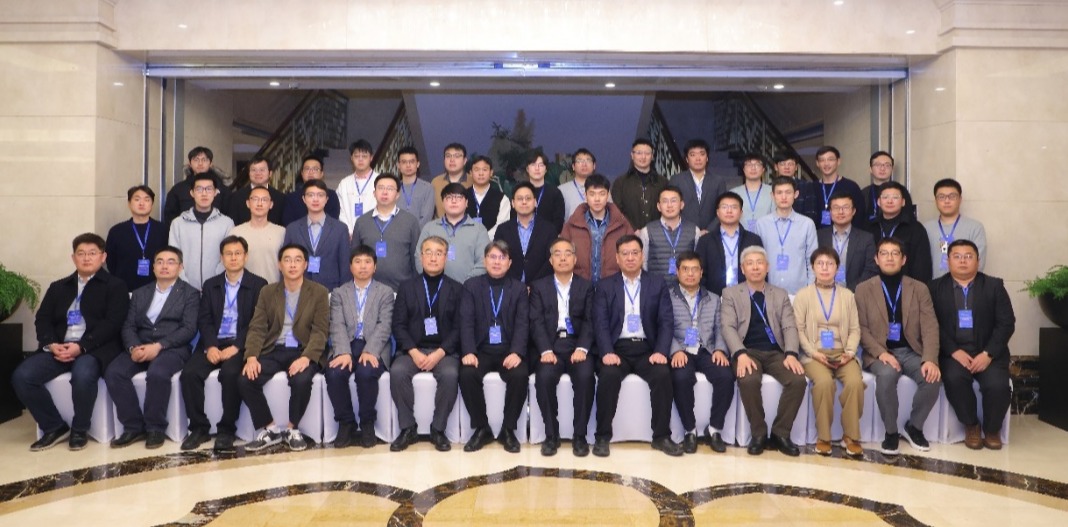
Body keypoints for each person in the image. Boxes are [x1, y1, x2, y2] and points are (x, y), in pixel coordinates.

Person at [13, 233, 129, 451]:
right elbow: (43, 319)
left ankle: (79, 429)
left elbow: (112, 324)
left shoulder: (115, 286)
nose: (86, 258)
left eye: (92, 253)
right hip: (59, 348)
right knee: (22, 376)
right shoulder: (59, 287)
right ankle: (54, 426)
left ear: (103, 257)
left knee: (83, 375)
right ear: (73, 258)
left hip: (94, 349)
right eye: (81, 253)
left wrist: (81, 346)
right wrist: (51, 344)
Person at [591, 235, 683, 457]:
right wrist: (607, 352)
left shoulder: (657, 283)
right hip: (617, 348)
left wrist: (661, 351)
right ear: (617, 258)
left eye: (635, 253)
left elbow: (666, 321)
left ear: (642, 256)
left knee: (662, 375)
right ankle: (602, 437)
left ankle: (661, 436)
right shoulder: (605, 286)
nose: (630, 258)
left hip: (647, 349)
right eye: (625, 254)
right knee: (608, 376)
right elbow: (600, 323)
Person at [178, 236, 267, 452]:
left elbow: (257, 322)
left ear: (245, 256)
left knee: (230, 373)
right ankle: (198, 428)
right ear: (221, 257)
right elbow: (204, 319)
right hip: (213, 342)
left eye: (238, 253)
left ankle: (226, 429)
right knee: (189, 374)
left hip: (240, 344)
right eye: (229, 254)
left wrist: (237, 347)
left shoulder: (259, 285)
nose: (233, 258)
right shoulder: (211, 285)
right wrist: (210, 346)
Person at [239, 244, 330, 452]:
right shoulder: (268, 292)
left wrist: (307, 357)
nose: (292, 265)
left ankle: (292, 429)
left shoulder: (319, 292)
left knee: (302, 379)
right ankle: (270, 428)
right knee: (245, 379)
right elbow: (257, 327)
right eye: (287, 260)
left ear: (305, 265)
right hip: (273, 349)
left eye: (298, 260)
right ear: (279, 265)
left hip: (302, 350)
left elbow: (320, 331)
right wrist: (251, 357)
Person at [106, 246, 199, 449]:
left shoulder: (190, 294)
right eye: (160, 262)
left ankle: (155, 428)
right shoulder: (140, 293)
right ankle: (133, 426)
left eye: (171, 262)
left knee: (157, 373)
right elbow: (128, 325)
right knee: (114, 372)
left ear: (180, 267)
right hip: (140, 345)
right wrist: (133, 347)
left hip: (173, 348)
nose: (165, 266)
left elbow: (189, 328)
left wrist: (159, 346)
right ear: (153, 267)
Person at [855, 237, 941, 455]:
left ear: (903, 259)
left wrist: (930, 359)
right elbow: (861, 328)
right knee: (886, 376)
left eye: (895, 253)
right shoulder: (863, 289)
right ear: (876, 259)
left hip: (912, 351)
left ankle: (914, 427)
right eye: (884, 253)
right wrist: (881, 353)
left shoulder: (919, 288)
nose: (890, 258)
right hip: (879, 352)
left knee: (932, 378)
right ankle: (891, 432)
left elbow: (930, 326)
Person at [720, 246, 805, 456]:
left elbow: (789, 326)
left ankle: (780, 433)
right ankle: (758, 433)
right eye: (750, 263)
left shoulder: (780, 294)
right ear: (742, 269)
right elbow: (728, 327)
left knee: (797, 380)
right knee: (748, 380)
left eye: (760, 263)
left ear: (767, 267)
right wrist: (740, 354)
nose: (755, 267)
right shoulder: (730, 294)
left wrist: (791, 354)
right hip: (747, 351)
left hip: (776, 352)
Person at [929, 240, 1014, 450]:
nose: (963, 261)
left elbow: (1006, 323)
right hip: (953, 353)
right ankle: (971, 425)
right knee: (954, 379)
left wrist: (988, 353)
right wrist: (953, 350)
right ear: (948, 261)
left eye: (968, 256)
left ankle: (992, 429)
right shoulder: (934, 288)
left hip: (988, 352)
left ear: (978, 260)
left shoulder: (994, 286)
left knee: (997, 385)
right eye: (957, 256)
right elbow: (931, 325)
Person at [389, 236, 464, 452]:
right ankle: (408, 428)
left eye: (439, 253)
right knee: (398, 372)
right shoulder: (406, 287)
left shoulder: (457, 289)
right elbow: (398, 325)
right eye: (428, 252)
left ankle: (438, 429)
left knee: (450, 375)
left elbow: (459, 327)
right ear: (421, 257)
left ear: (446, 258)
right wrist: (413, 352)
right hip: (413, 350)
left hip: (444, 352)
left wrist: (440, 353)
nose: (433, 258)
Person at [458, 240, 530, 453]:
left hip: (508, 350)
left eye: (502, 257)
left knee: (520, 374)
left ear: (509, 263)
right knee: (467, 373)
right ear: (484, 260)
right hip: (481, 350)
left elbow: (523, 323)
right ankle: (482, 428)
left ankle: (508, 429)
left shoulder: (518, 288)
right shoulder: (471, 286)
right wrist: (469, 351)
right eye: (492, 257)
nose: (497, 262)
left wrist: (517, 352)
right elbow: (466, 321)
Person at [794, 247, 865, 457]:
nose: (825, 268)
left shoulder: (847, 295)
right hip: (814, 354)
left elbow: (855, 329)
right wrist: (813, 353)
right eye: (820, 264)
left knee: (855, 382)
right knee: (824, 383)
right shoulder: (803, 295)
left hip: (843, 353)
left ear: (837, 268)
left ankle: (850, 436)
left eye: (830, 264)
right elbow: (798, 330)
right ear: (813, 267)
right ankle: (824, 437)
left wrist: (850, 352)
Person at [530, 238, 596, 457]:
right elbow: (536, 321)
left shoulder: (586, 286)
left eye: (568, 253)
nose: (563, 258)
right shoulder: (539, 287)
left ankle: (580, 435)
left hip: (577, 344)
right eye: (557, 254)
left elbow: (590, 321)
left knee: (586, 377)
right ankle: (551, 434)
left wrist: (583, 348)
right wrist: (546, 350)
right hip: (551, 345)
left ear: (575, 259)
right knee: (543, 378)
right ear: (551, 260)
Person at [325, 245, 395, 448]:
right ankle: (346, 422)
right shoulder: (339, 293)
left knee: (366, 372)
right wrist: (343, 352)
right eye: (358, 262)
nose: (363, 266)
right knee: (334, 373)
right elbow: (336, 324)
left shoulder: (385, 292)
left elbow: (384, 325)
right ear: (350, 266)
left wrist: (370, 350)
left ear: (375, 266)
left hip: (373, 344)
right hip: (346, 343)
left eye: (367, 262)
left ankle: (367, 422)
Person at [667, 251, 734, 454]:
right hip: (682, 349)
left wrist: (720, 349)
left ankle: (714, 429)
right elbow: (664, 328)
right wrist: (675, 351)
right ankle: (690, 430)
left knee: (725, 376)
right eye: (685, 269)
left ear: (701, 272)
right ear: (677, 272)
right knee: (681, 377)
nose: (690, 274)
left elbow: (720, 328)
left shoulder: (713, 298)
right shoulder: (667, 297)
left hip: (707, 349)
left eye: (694, 269)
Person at [349, 173, 421, 289]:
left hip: (402, 288)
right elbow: (354, 256)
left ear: (397, 195)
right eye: (381, 188)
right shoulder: (362, 221)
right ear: (374, 193)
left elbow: (416, 258)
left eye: (390, 189)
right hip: (368, 289)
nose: (385, 192)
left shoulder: (410, 221)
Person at [560, 174, 633, 284]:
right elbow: (562, 256)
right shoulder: (572, 224)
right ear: (585, 195)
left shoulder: (622, 224)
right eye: (592, 194)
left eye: (602, 194)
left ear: (608, 195)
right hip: (580, 286)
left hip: (613, 286)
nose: (597, 199)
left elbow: (632, 257)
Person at [168, 172, 235, 291]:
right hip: (184, 288)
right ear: (192, 193)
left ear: (215, 192)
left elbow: (228, 255)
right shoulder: (178, 223)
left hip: (217, 288)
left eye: (209, 189)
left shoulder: (227, 223)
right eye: (199, 189)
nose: (204, 193)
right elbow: (173, 256)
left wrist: (215, 281)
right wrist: (184, 282)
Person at [753, 176, 818, 295]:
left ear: (796, 194)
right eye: (779, 193)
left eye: (788, 192)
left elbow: (812, 260)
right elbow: (756, 258)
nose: (783, 197)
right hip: (768, 292)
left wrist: (810, 290)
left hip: (799, 292)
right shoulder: (761, 224)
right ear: (772, 196)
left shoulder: (807, 224)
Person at [283, 179, 352, 290]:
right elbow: (285, 262)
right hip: (299, 289)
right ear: (304, 199)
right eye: (310, 195)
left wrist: (343, 294)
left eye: (320, 195)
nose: (315, 199)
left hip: (331, 290)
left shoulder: (340, 229)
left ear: (326, 199)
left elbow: (345, 267)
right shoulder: (292, 229)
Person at [416, 183, 489, 283]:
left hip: (467, 288)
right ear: (442, 202)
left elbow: (483, 261)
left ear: (466, 202)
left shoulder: (479, 230)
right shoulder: (430, 227)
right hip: (434, 286)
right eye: (449, 197)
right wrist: (431, 280)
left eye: (459, 197)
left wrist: (468, 283)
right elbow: (419, 256)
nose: (454, 201)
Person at [695, 191, 763, 296]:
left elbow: (761, 271)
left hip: (747, 296)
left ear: (741, 213)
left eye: (734, 207)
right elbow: (699, 272)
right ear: (717, 212)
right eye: (724, 207)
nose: (729, 211)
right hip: (714, 297)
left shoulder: (753, 240)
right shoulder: (705, 241)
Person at [867, 181, 932, 283]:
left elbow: (922, 266)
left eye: (895, 197)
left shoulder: (915, 228)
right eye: (885, 197)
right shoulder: (869, 227)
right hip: (874, 286)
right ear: (878, 202)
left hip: (906, 287)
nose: (890, 201)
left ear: (903, 202)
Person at [106, 186, 168, 291]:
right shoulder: (117, 231)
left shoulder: (163, 230)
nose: (142, 203)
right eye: (137, 199)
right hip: (124, 289)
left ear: (152, 204)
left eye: (147, 200)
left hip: (157, 288)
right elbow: (111, 262)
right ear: (129, 204)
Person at [924, 178, 988, 279]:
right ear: (935, 201)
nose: (947, 201)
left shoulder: (975, 227)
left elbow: (978, 263)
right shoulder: (925, 228)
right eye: (941, 197)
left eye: (952, 196)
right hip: (932, 285)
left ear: (960, 199)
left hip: (965, 286)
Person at [494, 182, 555, 285]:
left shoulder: (549, 229)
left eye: (528, 198)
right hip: (509, 286)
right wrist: (516, 286)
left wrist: (535, 285)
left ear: (535, 202)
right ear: (513, 203)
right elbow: (499, 258)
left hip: (541, 287)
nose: (524, 202)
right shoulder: (502, 229)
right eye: (519, 199)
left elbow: (551, 260)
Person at [637, 185, 702, 282]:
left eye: (673, 201)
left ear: (682, 205)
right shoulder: (646, 231)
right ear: (659, 206)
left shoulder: (694, 230)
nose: (669, 205)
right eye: (665, 201)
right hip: (656, 287)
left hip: (686, 287)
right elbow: (643, 264)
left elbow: (698, 263)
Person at [816, 193, 878, 291]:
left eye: (845, 207)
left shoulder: (866, 238)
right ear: (830, 212)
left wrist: (849, 292)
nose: (841, 212)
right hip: (823, 292)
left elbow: (870, 270)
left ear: (853, 211)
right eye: (836, 208)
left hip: (855, 294)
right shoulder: (819, 236)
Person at [163, 146, 231, 231]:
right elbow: (170, 216)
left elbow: (229, 214)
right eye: (196, 160)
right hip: (186, 233)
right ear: (190, 163)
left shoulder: (222, 189)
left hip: (216, 233)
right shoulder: (178, 189)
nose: (200, 163)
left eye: (204, 160)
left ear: (211, 163)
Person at [230, 186, 285, 284]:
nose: (259, 204)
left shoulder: (281, 232)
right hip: (244, 289)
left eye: (264, 200)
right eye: (255, 199)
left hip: (273, 288)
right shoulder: (236, 232)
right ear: (248, 203)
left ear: (271, 204)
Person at [669, 139, 726, 230]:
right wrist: (688, 230)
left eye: (702, 154)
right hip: (683, 232)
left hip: (711, 233)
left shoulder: (718, 181)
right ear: (687, 159)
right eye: (693, 155)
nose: (698, 158)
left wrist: (709, 230)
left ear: (707, 158)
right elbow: (672, 207)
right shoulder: (676, 180)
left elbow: (723, 208)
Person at [612, 138, 667, 229]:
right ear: (632, 155)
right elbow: (616, 210)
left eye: (647, 153)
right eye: (639, 153)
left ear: (652, 156)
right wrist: (632, 229)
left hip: (658, 233)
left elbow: (667, 208)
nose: (643, 157)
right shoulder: (620, 182)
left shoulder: (663, 182)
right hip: (628, 233)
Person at [810, 146, 866, 229]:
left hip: (845, 235)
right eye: (822, 160)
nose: (826, 163)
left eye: (830, 159)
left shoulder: (851, 186)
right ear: (817, 163)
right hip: (816, 235)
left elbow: (860, 214)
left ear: (838, 161)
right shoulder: (811, 187)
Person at [226, 155, 286, 226]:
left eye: (262, 170)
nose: (258, 173)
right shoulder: (236, 197)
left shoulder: (280, 198)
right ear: (249, 173)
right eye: (254, 170)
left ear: (270, 173)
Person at [281, 154, 341, 225]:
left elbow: (333, 221)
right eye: (307, 169)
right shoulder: (291, 198)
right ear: (302, 173)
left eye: (315, 169)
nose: (311, 172)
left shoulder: (331, 195)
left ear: (322, 174)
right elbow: (289, 223)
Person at [337, 139, 378, 235]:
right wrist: (348, 231)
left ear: (371, 158)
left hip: (374, 232)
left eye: (364, 156)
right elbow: (341, 210)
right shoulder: (344, 183)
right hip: (349, 234)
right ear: (351, 158)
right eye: (356, 156)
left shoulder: (380, 181)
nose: (360, 160)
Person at [861, 151, 914, 222]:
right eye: (878, 165)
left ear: (892, 169)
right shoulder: (863, 193)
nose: (882, 168)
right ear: (870, 169)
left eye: (887, 165)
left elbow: (908, 217)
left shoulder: (901, 191)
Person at [465, 156, 511, 238]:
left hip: (492, 243)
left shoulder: (502, 199)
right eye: (477, 170)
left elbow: (502, 226)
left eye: (485, 170)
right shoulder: (462, 196)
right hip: (465, 242)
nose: (481, 173)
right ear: (470, 173)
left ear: (491, 172)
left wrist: (484, 239)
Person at [729, 152, 774, 231]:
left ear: (763, 169)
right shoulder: (733, 193)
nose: (753, 168)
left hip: (767, 234)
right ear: (743, 169)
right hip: (740, 235)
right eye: (749, 165)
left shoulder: (773, 191)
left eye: (757, 164)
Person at [524, 151, 565, 233]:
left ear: (546, 169)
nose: (537, 168)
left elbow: (558, 222)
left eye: (541, 165)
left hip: (548, 238)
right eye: (533, 164)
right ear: (527, 169)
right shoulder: (520, 191)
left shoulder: (555, 193)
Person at [773, 152, 818, 225]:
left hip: (800, 228)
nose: (787, 167)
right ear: (776, 167)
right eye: (783, 164)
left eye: (790, 164)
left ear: (796, 167)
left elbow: (811, 213)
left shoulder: (806, 186)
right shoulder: (769, 187)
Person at [395, 146, 436, 227]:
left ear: (418, 164)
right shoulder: (393, 188)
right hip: (396, 232)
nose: (408, 165)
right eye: (404, 162)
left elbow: (427, 217)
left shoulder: (427, 188)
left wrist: (414, 232)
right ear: (398, 165)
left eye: (412, 161)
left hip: (421, 233)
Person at [431, 143, 471, 218]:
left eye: (457, 156)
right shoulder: (435, 182)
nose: (452, 160)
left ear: (465, 161)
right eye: (448, 156)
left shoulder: (472, 182)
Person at [560, 148, 597, 221]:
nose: (584, 164)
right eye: (579, 161)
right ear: (573, 166)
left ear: (594, 166)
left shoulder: (602, 189)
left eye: (588, 160)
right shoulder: (562, 190)